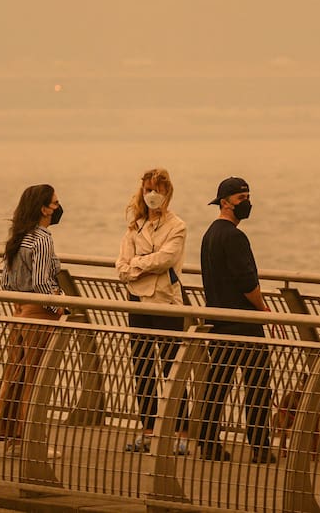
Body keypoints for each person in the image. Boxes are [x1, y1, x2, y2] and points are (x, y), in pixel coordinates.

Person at [196, 176, 277, 464]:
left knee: (217, 385)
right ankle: (260, 447)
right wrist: (263, 308)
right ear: (225, 201)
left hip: (219, 319)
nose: (248, 203)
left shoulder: (210, 235)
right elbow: (246, 282)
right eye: (242, 198)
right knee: (257, 386)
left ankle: (207, 442)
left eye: (248, 197)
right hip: (244, 322)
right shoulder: (234, 237)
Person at [115, 167, 191, 455]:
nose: (152, 195)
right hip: (137, 301)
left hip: (166, 303)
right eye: (148, 189)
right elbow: (120, 263)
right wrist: (134, 266)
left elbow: (166, 259)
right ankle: (148, 428)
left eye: (157, 189)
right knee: (143, 367)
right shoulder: (135, 226)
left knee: (173, 367)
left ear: (167, 192)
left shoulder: (177, 225)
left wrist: (136, 264)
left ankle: (181, 430)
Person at [0, 184, 67, 459]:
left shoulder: (18, 238)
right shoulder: (42, 239)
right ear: (44, 208)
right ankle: (35, 440)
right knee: (37, 381)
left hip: (19, 314)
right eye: (56, 203)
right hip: (39, 316)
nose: (59, 208)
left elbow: (7, 282)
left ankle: (13, 437)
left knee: (17, 376)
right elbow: (41, 283)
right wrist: (58, 305)